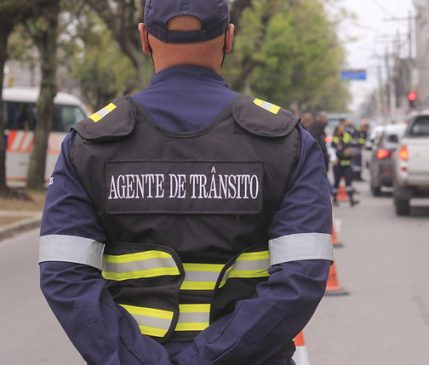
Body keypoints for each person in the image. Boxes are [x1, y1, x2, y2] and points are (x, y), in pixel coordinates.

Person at [38, 1, 334, 364]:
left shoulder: (88, 143)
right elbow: (302, 277)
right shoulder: (287, 141)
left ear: (144, 39)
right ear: (229, 38)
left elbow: (65, 276)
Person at [331, 121, 359, 206]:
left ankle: (351, 200)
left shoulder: (347, 136)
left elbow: (351, 147)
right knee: (337, 182)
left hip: (347, 164)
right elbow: (333, 150)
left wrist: (350, 151)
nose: (342, 131)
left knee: (348, 183)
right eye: (340, 129)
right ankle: (335, 199)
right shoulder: (335, 138)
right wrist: (335, 158)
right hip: (338, 164)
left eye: (343, 129)